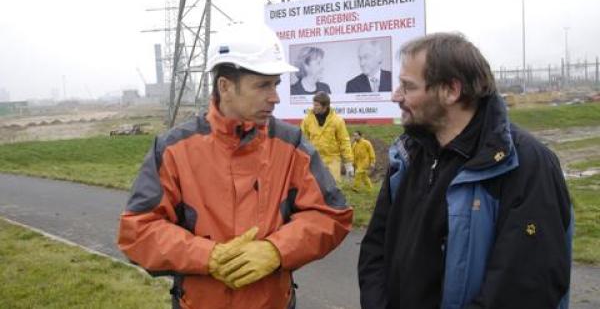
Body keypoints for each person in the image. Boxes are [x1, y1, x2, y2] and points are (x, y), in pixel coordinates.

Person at [117, 23, 353, 309]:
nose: (275, 96)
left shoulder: (291, 146)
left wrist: (276, 250)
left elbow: (331, 215)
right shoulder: (173, 149)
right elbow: (138, 232)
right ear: (225, 87)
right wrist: (207, 256)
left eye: (275, 84)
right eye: (263, 85)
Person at [358, 33, 573, 309]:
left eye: (408, 87)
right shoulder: (408, 154)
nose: (395, 96)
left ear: (451, 90)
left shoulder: (525, 165)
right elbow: (375, 249)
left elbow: (523, 290)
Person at [300, 91, 354, 181]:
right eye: (314, 104)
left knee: (333, 189)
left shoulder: (337, 121)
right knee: (315, 189)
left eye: (317, 105)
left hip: (333, 161)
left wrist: (348, 164)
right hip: (314, 160)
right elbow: (302, 140)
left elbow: (344, 141)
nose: (314, 107)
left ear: (325, 106)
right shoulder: (307, 120)